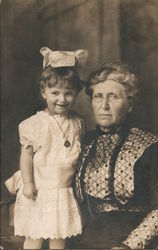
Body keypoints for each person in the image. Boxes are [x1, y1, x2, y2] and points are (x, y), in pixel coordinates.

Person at [5, 47, 88, 249]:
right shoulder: (34, 124)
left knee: (58, 235)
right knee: (34, 235)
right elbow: (26, 157)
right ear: (43, 92)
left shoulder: (77, 122)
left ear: (76, 93)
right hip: (40, 189)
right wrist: (28, 183)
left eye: (68, 93)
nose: (62, 99)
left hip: (63, 190)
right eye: (55, 93)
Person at [74, 63, 158, 249]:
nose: (104, 106)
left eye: (113, 97)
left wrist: (130, 245)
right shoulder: (81, 144)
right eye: (98, 97)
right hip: (84, 241)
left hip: (132, 242)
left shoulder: (150, 146)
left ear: (130, 104)